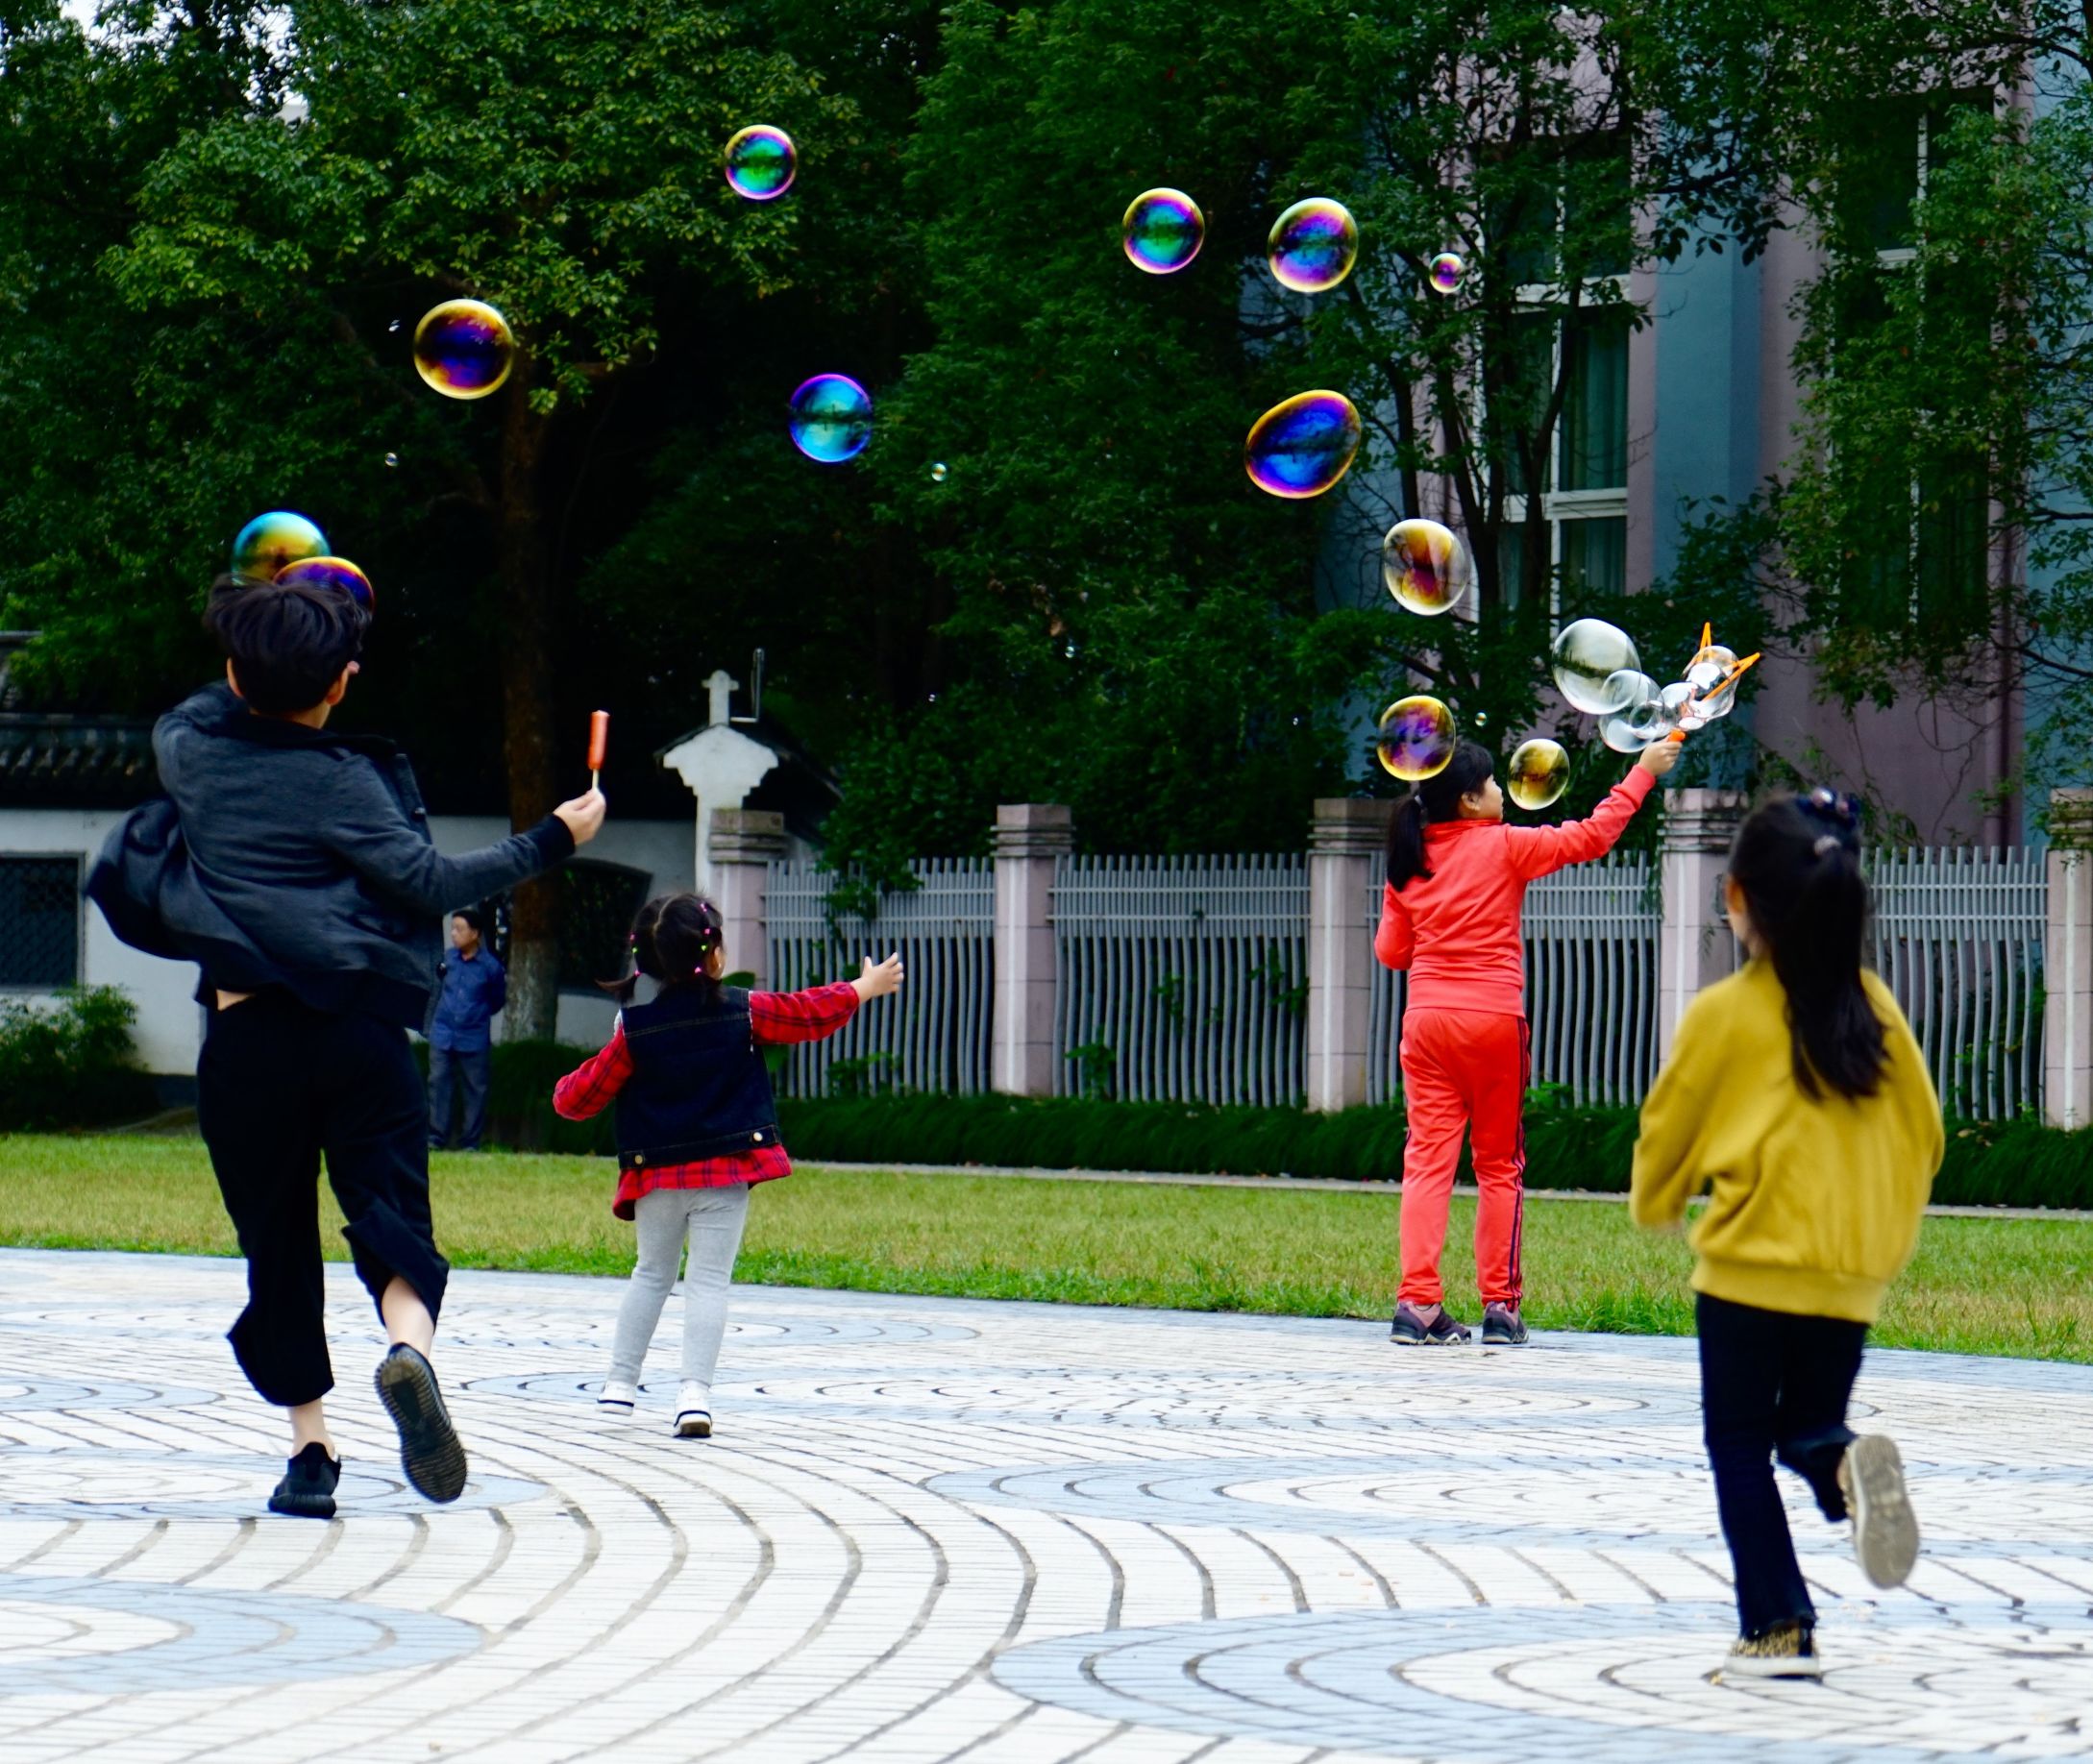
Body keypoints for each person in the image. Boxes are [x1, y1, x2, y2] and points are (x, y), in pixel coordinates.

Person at [87, 575, 606, 1520]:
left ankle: (310, 1455)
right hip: (358, 1038)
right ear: (340, 684)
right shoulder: (343, 780)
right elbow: (432, 882)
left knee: (277, 1239)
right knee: (389, 1211)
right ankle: (409, 1353)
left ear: (235, 672)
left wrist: (260, 639)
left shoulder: (193, 754)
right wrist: (553, 839)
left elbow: (197, 706)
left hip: (248, 1043)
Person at [1632, 790, 1941, 1682]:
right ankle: (1842, 1465)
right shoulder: (1874, 1006)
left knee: (1737, 1446)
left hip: (1747, 1274)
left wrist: (1658, 1199)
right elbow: (1925, 1137)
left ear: (1738, 898)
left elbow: (1669, 1130)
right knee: (1805, 1424)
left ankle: (1778, 1629)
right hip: (1850, 1280)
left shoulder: (1726, 1012)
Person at [552, 894, 903, 1437]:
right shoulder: (745, 1011)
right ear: (713, 953)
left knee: (651, 1274)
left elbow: (576, 1100)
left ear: (645, 961)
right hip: (726, 1173)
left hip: (657, 1176)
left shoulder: (634, 1031)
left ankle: (619, 1386)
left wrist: (567, 1083)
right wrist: (863, 987)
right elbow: (806, 1013)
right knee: (709, 1282)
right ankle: (694, 1398)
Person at [1376, 737, 1677, 1346]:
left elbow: (1391, 953)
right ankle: (1500, 1308)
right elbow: (1592, 836)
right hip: (1493, 1020)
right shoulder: (1507, 845)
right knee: (1498, 1166)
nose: (1500, 791)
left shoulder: (1409, 860)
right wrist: (1642, 773)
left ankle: (1418, 1304)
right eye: (1491, 784)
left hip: (1426, 1021)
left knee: (1426, 1163)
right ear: (1468, 800)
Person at [429, 907, 505, 1151]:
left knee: (475, 1089)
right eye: (453, 928)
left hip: (473, 1036)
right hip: (443, 1033)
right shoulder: (446, 960)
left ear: (475, 934)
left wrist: (476, 1014)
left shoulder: (490, 967)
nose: (454, 934)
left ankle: (470, 1143)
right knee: (438, 1084)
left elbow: (497, 1000)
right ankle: (435, 1138)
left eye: (460, 929)